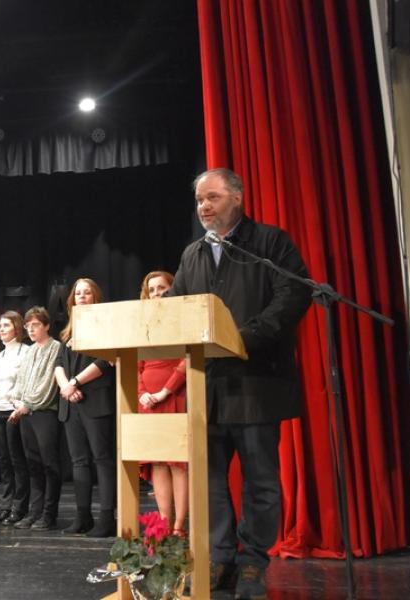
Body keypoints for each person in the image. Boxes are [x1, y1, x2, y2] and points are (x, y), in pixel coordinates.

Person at [169, 168, 311, 597]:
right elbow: (177, 307)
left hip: (255, 383)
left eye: (212, 197)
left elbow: (293, 296)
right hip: (207, 386)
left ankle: (253, 562)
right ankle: (220, 558)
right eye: (199, 200)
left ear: (237, 197)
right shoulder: (192, 253)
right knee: (210, 481)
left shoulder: (269, 243)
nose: (204, 207)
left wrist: (244, 338)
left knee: (261, 480)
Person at [54, 278, 117, 537]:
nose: (81, 296)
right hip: (71, 401)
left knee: (102, 458)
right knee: (78, 461)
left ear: (95, 297)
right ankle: (82, 517)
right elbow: (58, 364)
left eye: (87, 292)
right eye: (78, 293)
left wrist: (75, 382)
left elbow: (104, 361)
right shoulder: (68, 332)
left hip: (95, 400)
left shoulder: (105, 325)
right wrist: (66, 387)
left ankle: (107, 518)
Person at [137, 271, 188, 535]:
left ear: (172, 288)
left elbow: (188, 360)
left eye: (161, 288)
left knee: (177, 462)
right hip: (148, 402)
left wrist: (166, 391)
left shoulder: (183, 319)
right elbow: (136, 365)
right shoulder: (144, 323)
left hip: (174, 396)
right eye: (152, 290)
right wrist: (142, 393)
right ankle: (165, 523)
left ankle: (179, 525)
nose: (157, 293)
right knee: (157, 462)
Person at [7, 306, 62, 531]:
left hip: (44, 413)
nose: (31, 329)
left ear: (46, 326)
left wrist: (26, 405)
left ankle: (49, 514)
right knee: (33, 465)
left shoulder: (55, 348)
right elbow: (20, 382)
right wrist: (17, 402)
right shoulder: (29, 351)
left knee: (49, 464)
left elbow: (47, 385)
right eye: (28, 326)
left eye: (36, 325)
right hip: (25, 413)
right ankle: (34, 512)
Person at [0, 310, 29, 525]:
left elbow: (25, 384)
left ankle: (19, 507)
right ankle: (6, 505)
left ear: (17, 328)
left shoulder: (26, 352)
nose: (1, 329)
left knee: (17, 460)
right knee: (3, 461)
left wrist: (18, 407)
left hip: (14, 412)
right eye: (0, 326)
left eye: (6, 325)